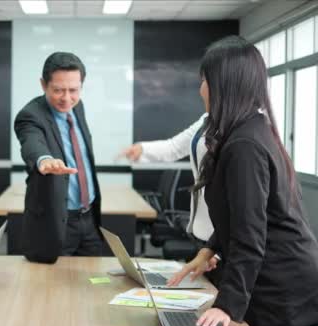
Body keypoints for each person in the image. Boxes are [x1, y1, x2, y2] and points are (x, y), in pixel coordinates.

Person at [167, 35, 318, 326]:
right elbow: (244, 214)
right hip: (280, 282)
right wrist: (209, 249)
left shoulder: (244, 144)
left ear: (222, 85)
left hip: (284, 290)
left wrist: (227, 307)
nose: (200, 89)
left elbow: (250, 234)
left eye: (204, 80)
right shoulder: (248, 130)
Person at [14, 52, 102, 263]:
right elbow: (32, 143)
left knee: (94, 282)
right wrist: (44, 159)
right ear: (43, 85)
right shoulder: (30, 115)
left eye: (73, 90)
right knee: (53, 289)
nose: (66, 98)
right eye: (58, 90)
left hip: (89, 218)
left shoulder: (77, 106)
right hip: (56, 223)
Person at [119, 114, 220, 281]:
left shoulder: (239, 125)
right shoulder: (207, 119)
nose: (202, 87)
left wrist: (219, 252)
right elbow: (175, 147)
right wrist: (143, 149)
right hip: (203, 239)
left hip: (219, 239)